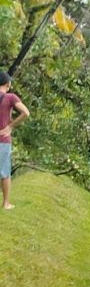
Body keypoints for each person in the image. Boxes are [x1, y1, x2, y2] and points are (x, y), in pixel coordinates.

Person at [0, 70, 30, 210]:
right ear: (8, 84)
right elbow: (26, 112)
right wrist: (11, 126)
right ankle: (6, 203)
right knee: (5, 172)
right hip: (3, 139)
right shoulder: (10, 97)